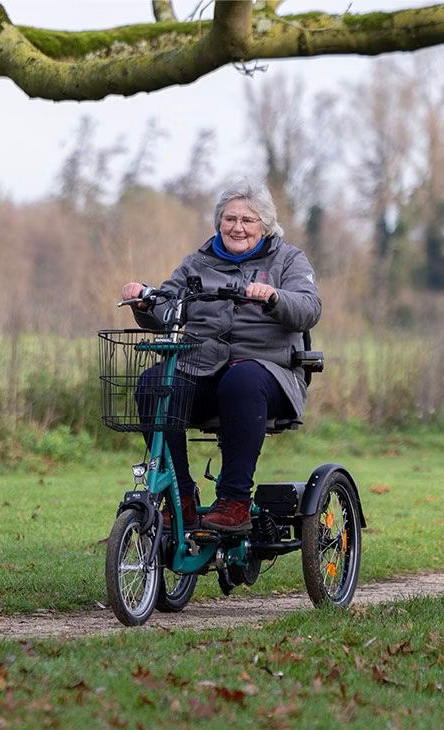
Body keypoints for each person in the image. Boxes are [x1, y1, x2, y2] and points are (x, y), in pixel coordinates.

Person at [119, 179, 322, 533]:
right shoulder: (197, 262)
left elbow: (308, 308)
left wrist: (274, 297)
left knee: (241, 380)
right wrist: (144, 302)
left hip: (267, 373)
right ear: (218, 222)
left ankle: (234, 501)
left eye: (248, 219)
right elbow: (168, 308)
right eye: (230, 219)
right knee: (154, 382)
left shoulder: (289, 259)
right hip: (201, 369)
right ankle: (179, 496)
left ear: (265, 224)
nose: (237, 227)